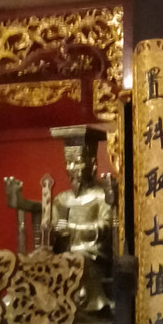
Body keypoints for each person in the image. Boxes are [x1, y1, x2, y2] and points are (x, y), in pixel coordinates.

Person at [50, 126, 113, 314]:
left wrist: (74, 229)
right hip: (64, 254)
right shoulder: (61, 199)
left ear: (92, 163)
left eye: (77, 163)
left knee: (80, 261)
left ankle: (88, 303)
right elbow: (52, 231)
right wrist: (56, 231)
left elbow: (106, 226)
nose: (72, 169)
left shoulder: (101, 196)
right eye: (68, 163)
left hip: (91, 254)